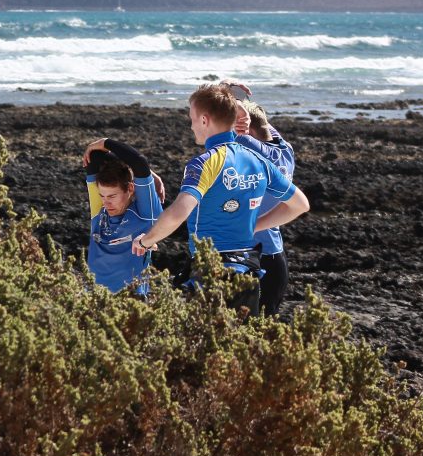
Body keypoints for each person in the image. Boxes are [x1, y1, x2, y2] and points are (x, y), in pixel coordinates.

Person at [131, 84, 310, 316]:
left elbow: (178, 212)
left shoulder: (206, 162)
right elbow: (300, 205)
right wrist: (253, 225)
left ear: (204, 120)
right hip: (249, 272)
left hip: (213, 272)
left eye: (192, 118)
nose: (191, 125)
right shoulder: (257, 160)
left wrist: (146, 241)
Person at [227, 82, 297, 316]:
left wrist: (225, 93)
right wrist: (243, 107)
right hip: (276, 258)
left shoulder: (248, 146)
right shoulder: (285, 149)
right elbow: (262, 123)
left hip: (258, 261)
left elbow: (218, 125)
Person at [82, 138, 164, 293]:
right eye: (102, 196)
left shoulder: (146, 213)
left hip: (130, 302)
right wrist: (150, 174)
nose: (106, 203)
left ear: (131, 188)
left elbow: (139, 162)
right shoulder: (99, 210)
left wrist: (105, 142)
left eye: (112, 196)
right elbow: (95, 157)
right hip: (92, 299)